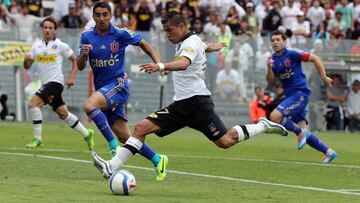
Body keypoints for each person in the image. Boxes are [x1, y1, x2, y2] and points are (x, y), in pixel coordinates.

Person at [90, 11, 288, 178]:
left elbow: (184, 62)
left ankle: (263, 125)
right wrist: (213, 47)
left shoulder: (189, 43)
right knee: (141, 128)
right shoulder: (192, 40)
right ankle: (111, 167)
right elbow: (202, 47)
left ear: (182, 27)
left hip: (197, 104)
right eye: (165, 31)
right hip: (182, 105)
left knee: (225, 141)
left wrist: (161, 65)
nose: (167, 35)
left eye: (170, 30)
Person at [77, 2, 168, 180]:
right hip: (103, 90)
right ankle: (158, 160)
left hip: (118, 85)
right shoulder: (86, 37)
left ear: (110, 15)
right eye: (98, 15)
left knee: (89, 105)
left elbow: (144, 44)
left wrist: (158, 63)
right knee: (126, 137)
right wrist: (83, 55)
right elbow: (80, 67)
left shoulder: (120, 33)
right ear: (93, 17)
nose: (102, 18)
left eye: (105, 14)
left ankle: (112, 147)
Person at [23, 16, 94, 150]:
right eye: (45, 27)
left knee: (33, 104)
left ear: (55, 30)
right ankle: (87, 133)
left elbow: (75, 60)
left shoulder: (61, 45)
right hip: (46, 84)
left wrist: (72, 77)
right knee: (63, 113)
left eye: (50, 28)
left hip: (56, 83)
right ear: (42, 29)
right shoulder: (36, 46)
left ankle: (37, 139)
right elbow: (27, 66)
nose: (47, 30)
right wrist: (25, 60)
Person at [266, 30, 337, 164]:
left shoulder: (292, 53)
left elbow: (315, 58)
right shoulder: (273, 60)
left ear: (284, 41)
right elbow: (270, 81)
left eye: (278, 39)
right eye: (273, 40)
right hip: (291, 96)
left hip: (300, 93)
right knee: (303, 131)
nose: (275, 42)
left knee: (275, 116)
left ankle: (300, 132)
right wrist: (269, 68)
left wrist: (324, 77)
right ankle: (328, 151)